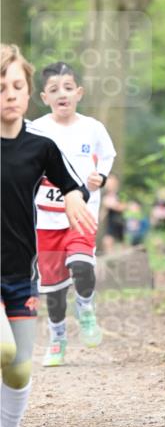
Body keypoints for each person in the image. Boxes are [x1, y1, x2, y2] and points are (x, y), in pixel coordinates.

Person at [0, 45, 94, 427]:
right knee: (3, 348)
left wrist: (75, 196)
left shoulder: (41, 146)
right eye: (1, 88)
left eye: (17, 86)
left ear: (27, 91)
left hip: (20, 273)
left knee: (18, 368)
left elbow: (71, 183)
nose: (10, 95)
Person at [32, 62, 116, 366]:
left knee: (81, 265)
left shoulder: (93, 128)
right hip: (46, 219)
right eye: (54, 90)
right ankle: (57, 337)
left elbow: (107, 157)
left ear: (79, 92)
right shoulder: (35, 129)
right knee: (53, 289)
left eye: (68, 88)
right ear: (44, 97)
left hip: (82, 215)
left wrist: (101, 178)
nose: (62, 94)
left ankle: (85, 306)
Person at [101, 173, 126, 253]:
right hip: (110, 222)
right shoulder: (105, 195)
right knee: (107, 241)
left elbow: (124, 207)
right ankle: (109, 260)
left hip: (120, 221)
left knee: (122, 243)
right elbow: (103, 211)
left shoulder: (121, 194)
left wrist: (113, 205)